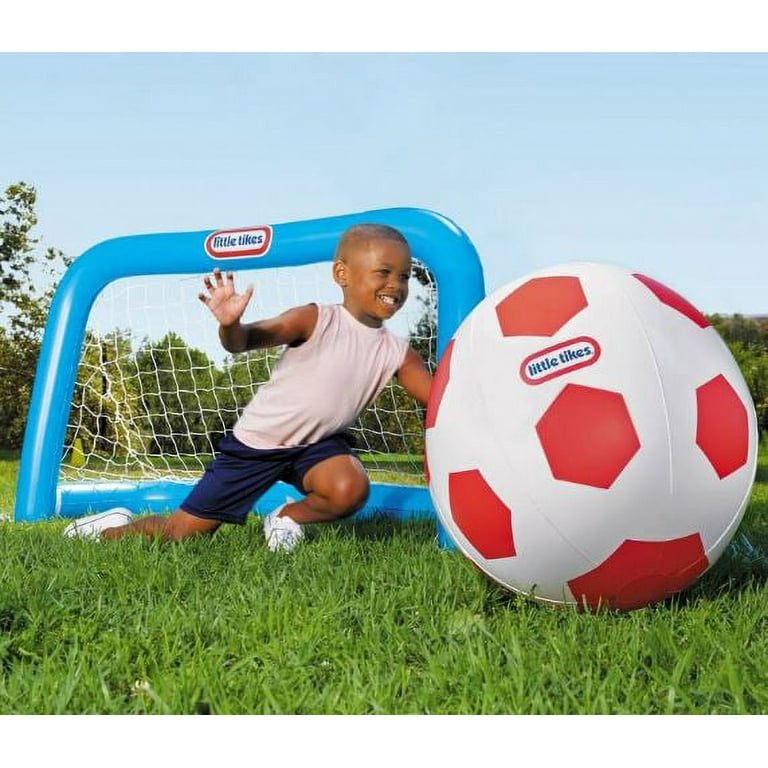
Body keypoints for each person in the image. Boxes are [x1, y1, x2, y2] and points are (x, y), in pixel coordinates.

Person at [63, 223, 432, 552]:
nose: (396, 286)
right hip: (257, 446)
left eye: (404, 276)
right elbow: (244, 341)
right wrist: (231, 324)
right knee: (179, 536)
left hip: (316, 446)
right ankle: (109, 530)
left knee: (349, 489)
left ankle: (286, 517)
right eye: (383, 272)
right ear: (342, 273)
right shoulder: (315, 318)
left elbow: (437, 398)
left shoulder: (397, 353)